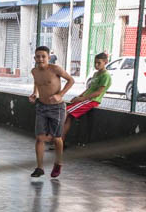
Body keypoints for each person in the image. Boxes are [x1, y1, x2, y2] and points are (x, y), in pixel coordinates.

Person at [28, 46, 74, 179]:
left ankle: (58, 163)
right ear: (35, 58)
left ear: (48, 57)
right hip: (41, 107)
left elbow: (71, 80)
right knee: (39, 138)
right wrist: (34, 94)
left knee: (56, 138)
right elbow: (37, 83)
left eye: (43, 56)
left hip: (57, 108)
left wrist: (60, 94)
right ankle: (39, 167)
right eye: (38, 56)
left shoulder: (55, 69)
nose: (40, 59)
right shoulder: (34, 71)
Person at [62, 52, 111, 139]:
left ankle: (58, 140)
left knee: (66, 112)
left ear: (105, 62)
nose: (96, 65)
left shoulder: (106, 76)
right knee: (68, 116)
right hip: (85, 99)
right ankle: (61, 141)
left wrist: (82, 99)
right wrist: (79, 96)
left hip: (92, 101)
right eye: (95, 62)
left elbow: (98, 92)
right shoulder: (96, 74)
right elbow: (89, 88)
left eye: (99, 63)